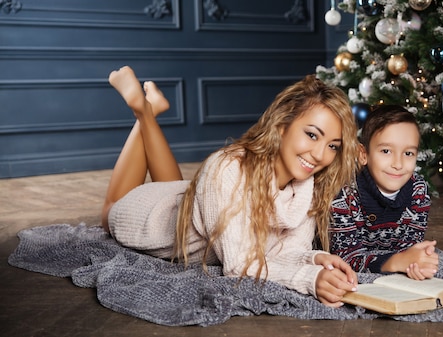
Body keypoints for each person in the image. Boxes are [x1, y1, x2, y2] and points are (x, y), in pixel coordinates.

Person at [101, 66, 360, 307]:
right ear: (282, 126)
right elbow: (239, 265)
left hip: (187, 197)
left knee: (181, 187)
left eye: (333, 146)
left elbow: (286, 253)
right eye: (312, 135)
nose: (319, 154)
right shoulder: (227, 169)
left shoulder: (307, 187)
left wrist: (312, 259)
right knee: (110, 209)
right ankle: (143, 111)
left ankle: (150, 110)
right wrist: (308, 279)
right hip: (151, 218)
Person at [329, 104, 439, 281]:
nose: (398, 163)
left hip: (378, 258)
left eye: (408, 153)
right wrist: (395, 262)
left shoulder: (419, 191)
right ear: (363, 155)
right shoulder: (344, 193)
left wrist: (417, 261)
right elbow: (346, 257)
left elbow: (409, 246)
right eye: (386, 151)